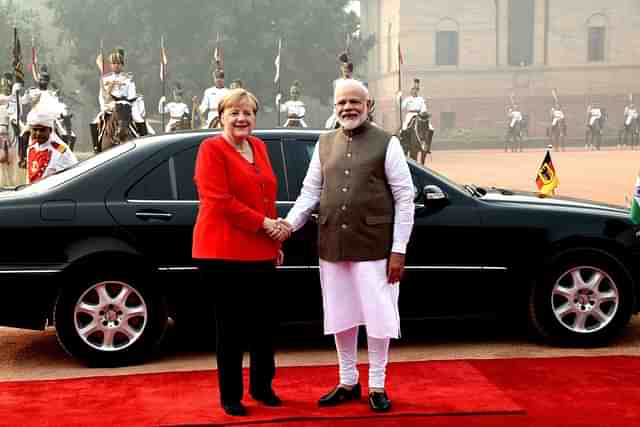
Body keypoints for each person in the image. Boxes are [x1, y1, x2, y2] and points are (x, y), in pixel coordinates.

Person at [279, 78, 415, 413]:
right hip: (333, 244)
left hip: (376, 247)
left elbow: (405, 197)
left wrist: (399, 250)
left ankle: (378, 385)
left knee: (379, 316)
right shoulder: (325, 143)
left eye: (355, 102)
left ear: (368, 106)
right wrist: (288, 225)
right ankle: (347, 380)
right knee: (342, 315)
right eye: (341, 103)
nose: (348, 108)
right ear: (334, 106)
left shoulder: (387, 143)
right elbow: (309, 193)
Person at [192, 88, 284, 417]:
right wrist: (266, 225)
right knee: (231, 328)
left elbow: (266, 196)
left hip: (260, 250)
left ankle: (262, 387)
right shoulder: (210, 149)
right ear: (221, 117)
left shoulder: (258, 146)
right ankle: (230, 395)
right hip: (222, 252)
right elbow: (219, 201)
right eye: (234, 113)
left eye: (247, 113)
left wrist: (274, 242)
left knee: (263, 325)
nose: (242, 118)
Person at [25, 107, 78, 184]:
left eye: (42, 130)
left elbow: (74, 173)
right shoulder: (30, 148)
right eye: (35, 130)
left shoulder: (61, 150)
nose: (38, 133)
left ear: (50, 130)